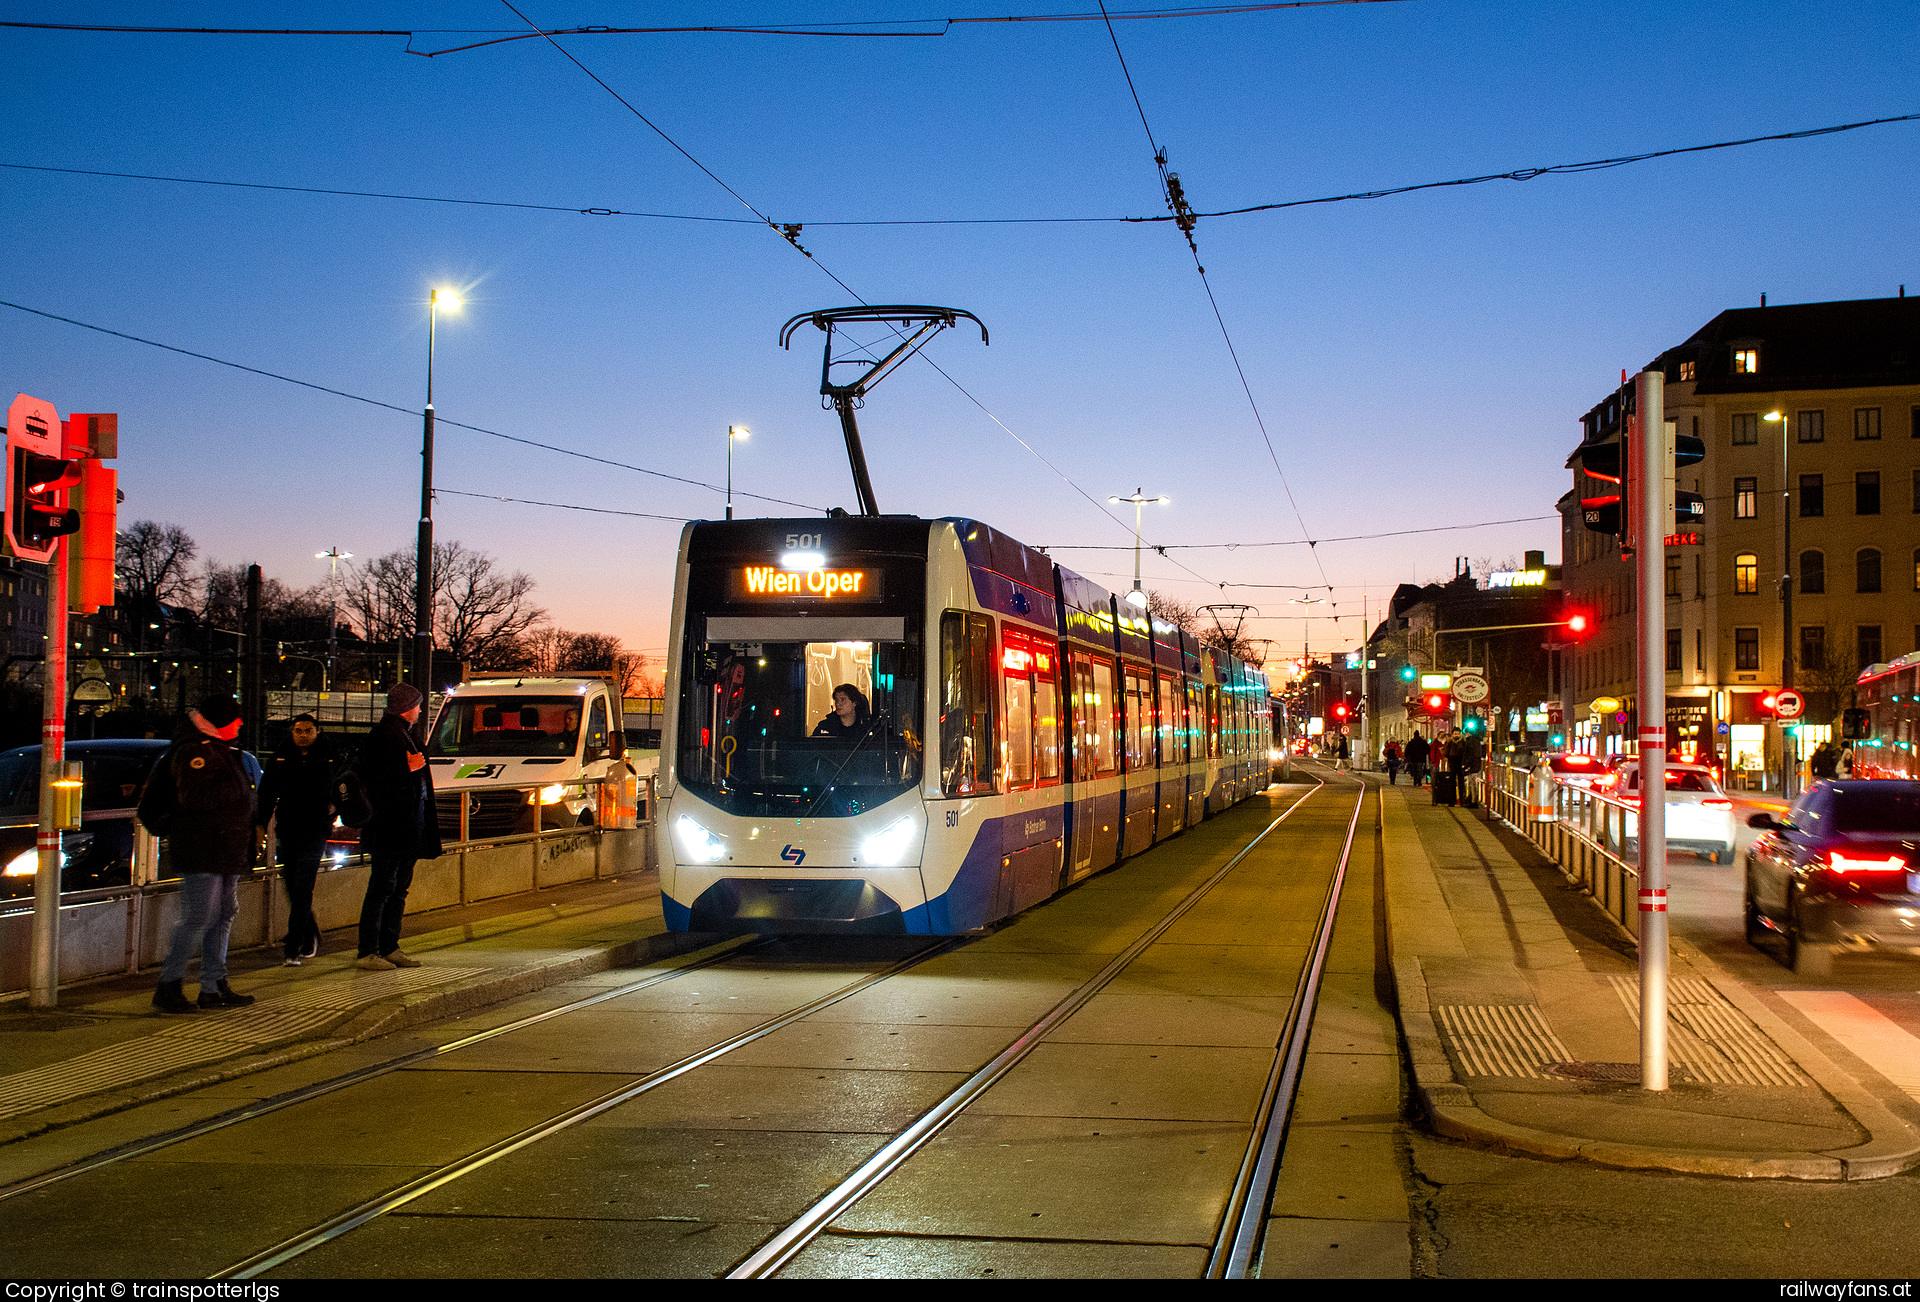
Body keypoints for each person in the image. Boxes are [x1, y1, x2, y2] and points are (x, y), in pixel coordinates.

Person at [151, 697, 258, 1013]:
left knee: (223, 913)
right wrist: (240, 790)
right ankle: (168, 986)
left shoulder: (219, 748)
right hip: (201, 849)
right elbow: (196, 797)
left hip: (224, 848)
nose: (240, 725)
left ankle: (213, 985)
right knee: (198, 916)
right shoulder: (194, 751)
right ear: (221, 720)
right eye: (235, 720)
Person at [355, 683, 442, 971]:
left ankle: (388, 946)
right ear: (407, 707)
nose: (420, 709)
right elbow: (377, 781)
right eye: (417, 705)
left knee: (396, 887)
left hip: (405, 827)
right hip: (391, 828)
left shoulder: (403, 733)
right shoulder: (385, 735)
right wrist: (410, 768)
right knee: (384, 887)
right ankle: (370, 950)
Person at [255, 713, 338, 966]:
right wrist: (260, 825)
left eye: (308, 730)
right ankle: (309, 931)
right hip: (288, 829)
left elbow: (342, 786)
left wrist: (334, 809)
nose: (303, 735)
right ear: (292, 732)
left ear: (317, 731)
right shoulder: (281, 756)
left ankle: (294, 946)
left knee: (303, 886)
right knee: (291, 884)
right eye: (298, 731)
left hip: (315, 829)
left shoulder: (329, 755)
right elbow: (267, 791)